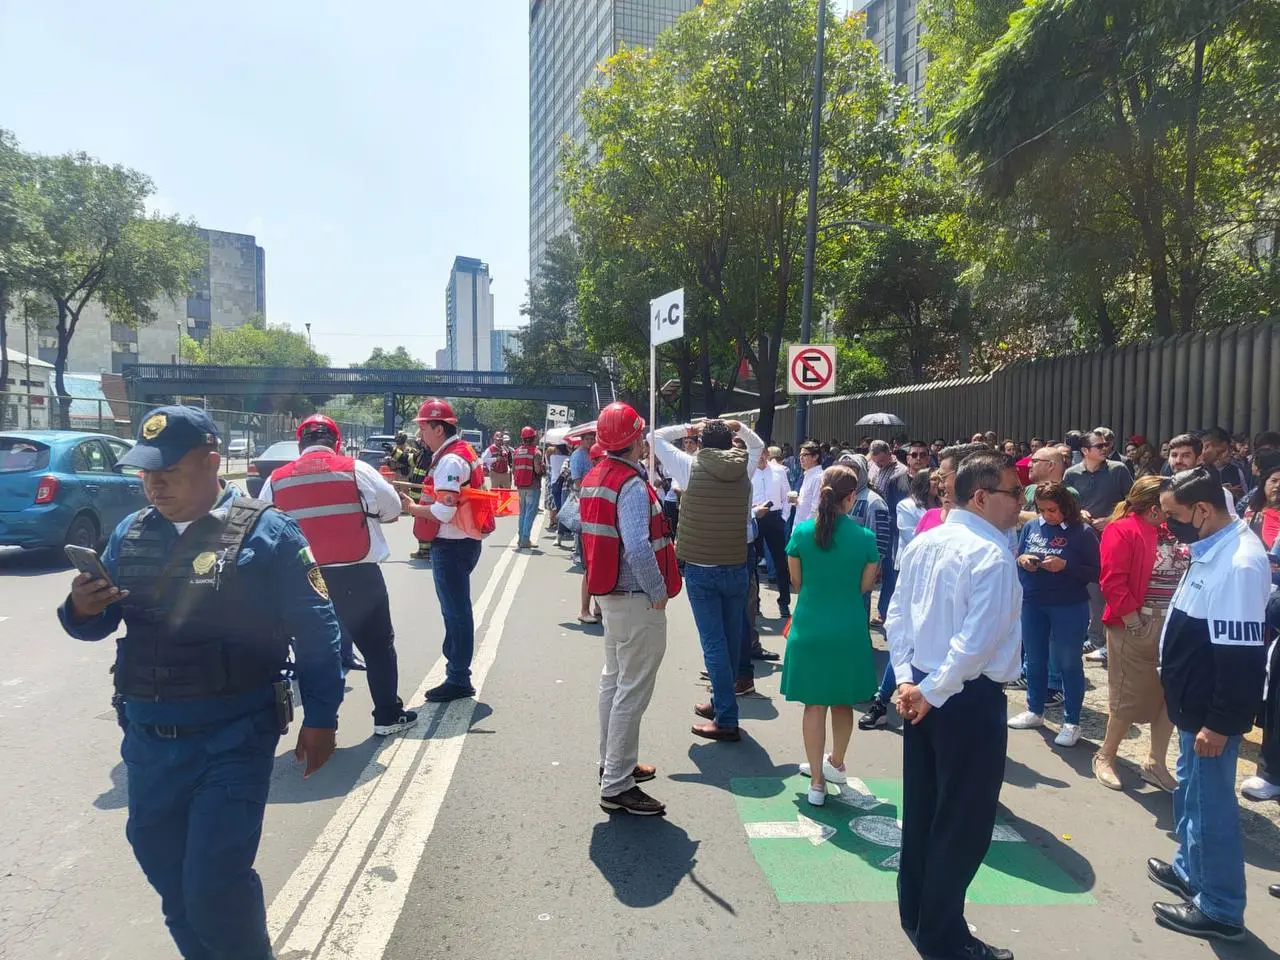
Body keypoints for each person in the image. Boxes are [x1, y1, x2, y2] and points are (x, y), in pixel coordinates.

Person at [58, 406, 344, 960]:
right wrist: (81, 607)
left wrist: (323, 717)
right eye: (145, 471)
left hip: (233, 737)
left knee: (214, 884)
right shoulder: (131, 531)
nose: (154, 483)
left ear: (212, 463)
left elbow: (317, 629)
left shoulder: (270, 532)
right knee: (168, 877)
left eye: (169, 469)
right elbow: (96, 625)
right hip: (148, 741)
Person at [886, 451, 1023, 960]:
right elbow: (977, 642)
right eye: (1014, 492)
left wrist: (908, 681)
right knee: (962, 824)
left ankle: (918, 914)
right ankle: (943, 938)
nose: (1021, 503)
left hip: (925, 686)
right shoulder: (991, 554)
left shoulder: (927, 541)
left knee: (924, 811)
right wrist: (928, 688)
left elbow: (897, 615)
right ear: (982, 497)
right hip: (964, 694)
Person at [1146, 467, 1271, 942]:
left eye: (1174, 516)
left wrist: (1220, 724)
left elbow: (1241, 658)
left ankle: (1219, 905)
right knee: (1192, 795)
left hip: (1208, 715)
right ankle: (1190, 870)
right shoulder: (1212, 546)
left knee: (1210, 804)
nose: (1169, 525)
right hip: (1190, 705)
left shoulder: (1238, 561)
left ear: (1203, 509)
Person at [261, 414, 418, 737]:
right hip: (357, 574)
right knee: (377, 647)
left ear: (300, 443)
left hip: (303, 581)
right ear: (337, 442)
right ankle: (387, 715)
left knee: (313, 653)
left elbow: (264, 527)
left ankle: (318, 726)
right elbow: (390, 508)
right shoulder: (356, 469)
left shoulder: (277, 479)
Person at [579, 402, 682, 817]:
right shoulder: (631, 484)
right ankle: (618, 784)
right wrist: (658, 590)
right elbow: (639, 545)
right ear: (634, 440)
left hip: (610, 595)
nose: (644, 440)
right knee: (631, 691)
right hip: (636, 597)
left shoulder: (596, 476)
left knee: (614, 682)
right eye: (640, 434)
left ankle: (613, 764)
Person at [653, 418, 764, 741]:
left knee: (713, 644)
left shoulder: (689, 466)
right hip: (736, 562)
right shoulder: (745, 465)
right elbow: (756, 444)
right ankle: (721, 702)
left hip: (702, 566)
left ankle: (727, 718)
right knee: (730, 640)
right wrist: (738, 426)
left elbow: (655, 437)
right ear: (731, 442)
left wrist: (688, 427)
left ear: (700, 442)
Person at [783, 464, 880, 805]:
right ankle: (836, 762)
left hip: (809, 624)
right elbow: (865, 586)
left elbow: (798, 582)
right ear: (851, 497)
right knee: (843, 700)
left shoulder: (802, 533)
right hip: (848, 627)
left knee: (814, 704)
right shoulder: (865, 538)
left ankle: (817, 782)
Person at [399, 398, 493, 702]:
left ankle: (458, 677)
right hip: (463, 542)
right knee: (456, 610)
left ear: (439, 428)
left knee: (456, 613)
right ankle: (456, 670)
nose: (420, 435)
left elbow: (443, 511)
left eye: (424, 428)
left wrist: (412, 508)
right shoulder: (458, 453)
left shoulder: (451, 461)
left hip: (452, 544)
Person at [1093, 476, 1181, 792]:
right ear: (1155, 504)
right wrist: (1134, 623)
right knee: (1127, 694)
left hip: (1173, 624)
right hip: (1138, 622)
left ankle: (1155, 763)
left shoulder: (1174, 529)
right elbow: (1112, 582)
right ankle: (1105, 755)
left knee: (1169, 697)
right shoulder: (1122, 529)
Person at [1007, 481, 1100, 748]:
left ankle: (1072, 721)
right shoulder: (1031, 527)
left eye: (1053, 510)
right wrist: (1023, 560)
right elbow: (1020, 554)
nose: (1048, 515)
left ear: (1066, 507)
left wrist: (1066, 566)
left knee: (1068, 662)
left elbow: (1095, 572)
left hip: (1068, 604)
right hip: (1034, 601)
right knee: (1035, 659)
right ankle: (1035, 710)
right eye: (1043, 509)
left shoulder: (1082, 532)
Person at [1066, 429, 1134, 655]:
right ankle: (1094, 636)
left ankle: (1104, 637)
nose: (1106, 449)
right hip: (1083, 535)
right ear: (1085, 451)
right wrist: (1079, 512)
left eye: (1106, 445)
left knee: (1109, 585)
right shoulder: (1071, 474)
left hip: (1112, 536)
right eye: (1100, 446)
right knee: (1089, 587)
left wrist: (1113, 519)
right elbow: (1066, 502)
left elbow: (1132, 501)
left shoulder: (1119, 470)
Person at [868, 440, 911, 626]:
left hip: (891, 526)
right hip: (875, 523)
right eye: (876, 462)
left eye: (882, 462)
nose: (879, 465)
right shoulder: (873, 467)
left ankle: (884, 611)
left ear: (889, 454)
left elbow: (900, 502)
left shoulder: (899, 472)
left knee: (889, 571)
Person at [755, 446, 793, 619]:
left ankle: (784, 602)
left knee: (779, 561)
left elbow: (787, 496)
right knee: (752, 561)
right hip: (755, 516)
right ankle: (754, 602)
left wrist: (783, 517)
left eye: (763, 454)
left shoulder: (779, 471)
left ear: (767, 454)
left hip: (774, 516)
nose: (760, 458)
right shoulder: (748, 471)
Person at [512, 426, 545, 549]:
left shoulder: (517, 452)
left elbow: (514, 470)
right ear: (533, 438)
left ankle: (521, 538)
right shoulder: (536, 452)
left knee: (523, 512)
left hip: (520, 486)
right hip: (533, 486)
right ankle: (525, 539)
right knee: (530, 513)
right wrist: (543, 469)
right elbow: (537, 470)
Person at [1200, 427, 1249, 500]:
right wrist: (1222, 491)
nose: (1218, 457)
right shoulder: (1189, 465)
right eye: (1218, 452)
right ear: (1207, 446)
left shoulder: (1212, 469)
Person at [788, 441, 823, 524]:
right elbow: (806, 503)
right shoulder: (808, 474)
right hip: (800, 526)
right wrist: (796, 501)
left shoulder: (818, 477)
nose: (801, 458)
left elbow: (816, 509)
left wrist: (805, 528)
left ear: (815, 457)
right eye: (800, 455)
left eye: (805, 455)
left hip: (807, 530)